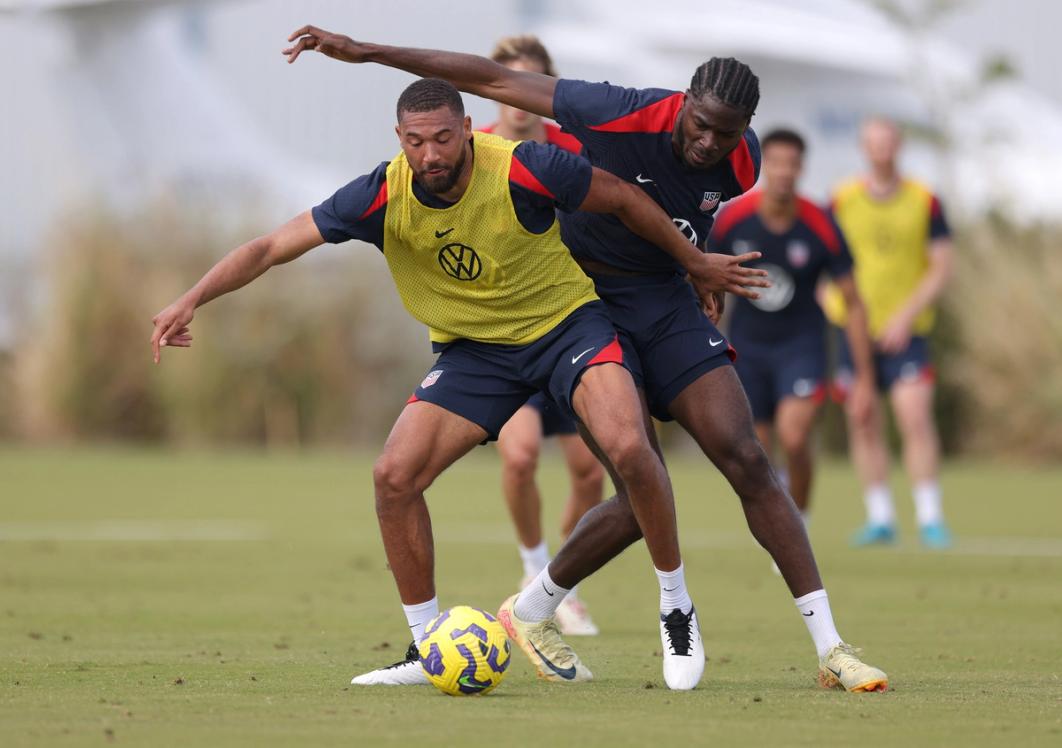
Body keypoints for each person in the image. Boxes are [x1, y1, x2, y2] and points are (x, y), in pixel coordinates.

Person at [283, 27, 889, 693]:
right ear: (684, 102)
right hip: (582, 305)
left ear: (744, 128)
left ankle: (829, 646)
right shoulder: (616, 108)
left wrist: (693, 272)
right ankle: (618, 606)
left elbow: (688, 218)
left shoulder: (740, 160)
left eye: (728, 131)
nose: (711, 142)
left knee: (743, 455)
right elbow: (491, 78)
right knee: (637, 483)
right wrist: (372, 52)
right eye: (703, 125)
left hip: (662, 306)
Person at [150, 79, 767, 691]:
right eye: (417, 142)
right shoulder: (380, 194)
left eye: (444, 138)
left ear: (469, 129)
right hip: (476, 352)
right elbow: (270, 247)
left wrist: (692, 264)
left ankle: (675, 606)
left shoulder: (525, 167)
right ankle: (426, 649)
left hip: (566, 326)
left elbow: (627, 201)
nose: (432, 155)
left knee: (633, 452)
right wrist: (192, 298)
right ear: (400, 140)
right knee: (394, 476)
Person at [484, 34, 603, 637]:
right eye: (508, 83)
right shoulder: (470, 152)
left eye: (532, 85)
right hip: (502, 337)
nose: (519, 99)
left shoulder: (573, 154)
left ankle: (562, 583)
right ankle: (534, 575)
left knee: (591, 473)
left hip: (570, 331)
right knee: (521, 454)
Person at [709, 129, 875, 546]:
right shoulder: (733, 219)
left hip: (802, 345)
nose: (784, 172)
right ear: (765, 167)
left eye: (792, 164)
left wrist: (865, 378)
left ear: (802, 169)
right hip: (748, 347)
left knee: (796, 436)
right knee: (758, 450)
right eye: (776, 163)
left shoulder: (819, 222)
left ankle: (797, 525)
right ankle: (777, 519)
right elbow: (701, 277)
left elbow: (853, 301)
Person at [824, 116, 955, 549]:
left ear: (899, 146)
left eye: (888, 143)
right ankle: (880, 517)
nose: (881, 150)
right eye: (873, 143)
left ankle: (930, 515)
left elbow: (940, 266)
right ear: (864, 148)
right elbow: (822, 264)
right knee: (863, 421)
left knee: (914, 417)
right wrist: (835, 308)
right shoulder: (841, 199)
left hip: (908, 330)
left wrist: (905, 315)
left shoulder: (925, 200)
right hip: (855, 329)